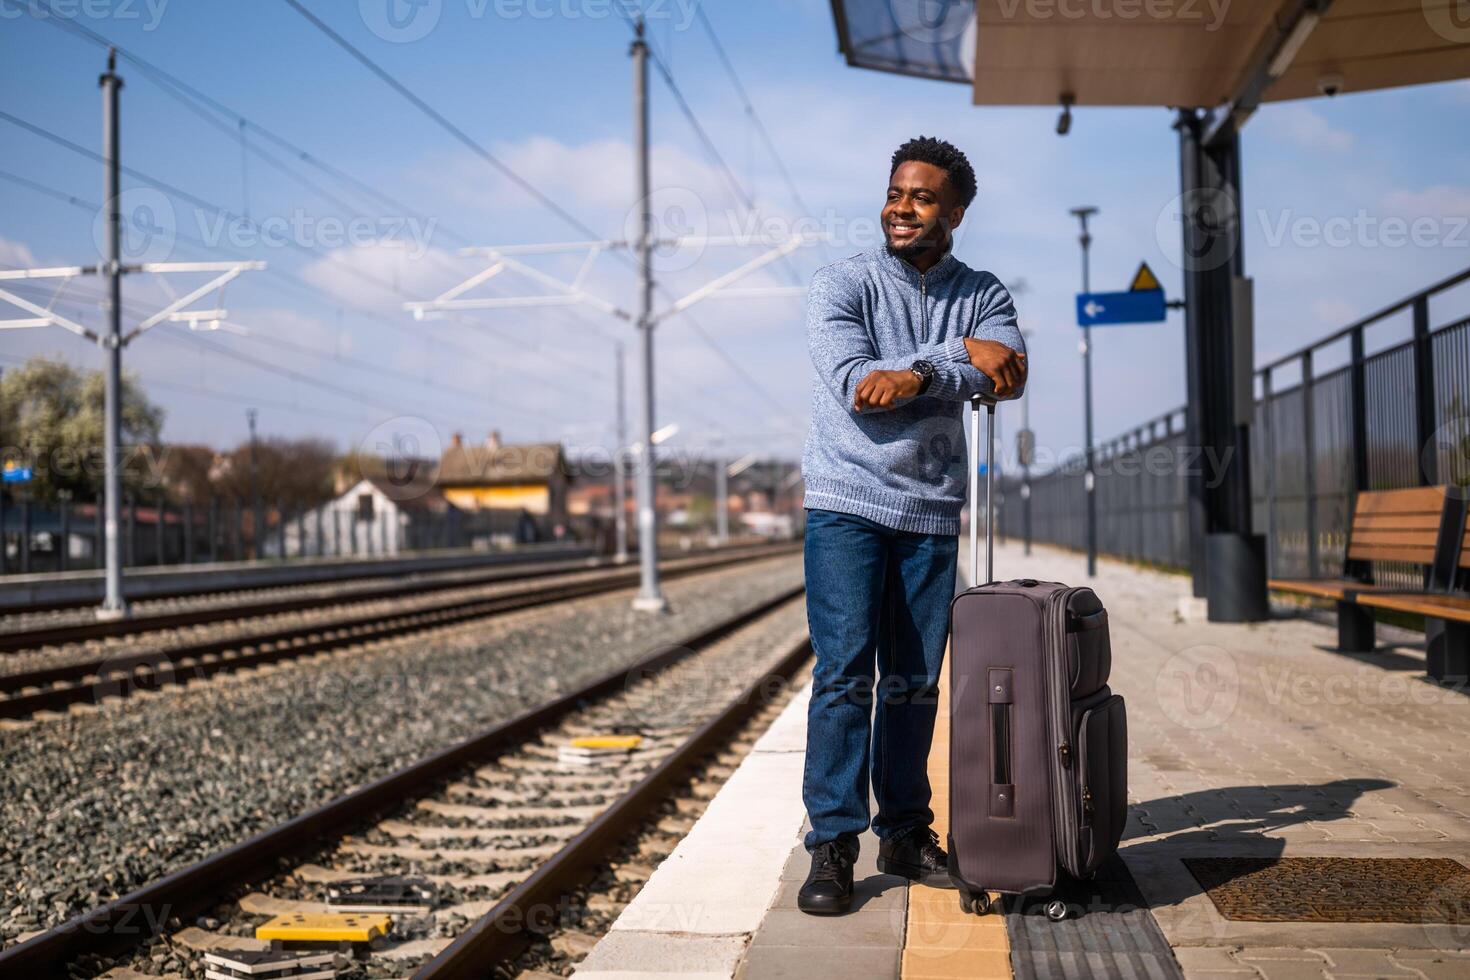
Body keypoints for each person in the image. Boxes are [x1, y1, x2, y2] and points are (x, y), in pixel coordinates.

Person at [797, 136, 1027, 915]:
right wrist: (964, 355)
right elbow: (861, 387)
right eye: (896, 193)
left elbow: (1012, 372)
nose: (901, 208)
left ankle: (904, 830)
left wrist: (929, 366)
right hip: (846, 503)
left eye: (922, 198)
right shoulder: (842, 283)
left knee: (914, 683)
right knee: (843, 676)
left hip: (929, 509)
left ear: (955, 212)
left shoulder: (985, 290)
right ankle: (833, 842)